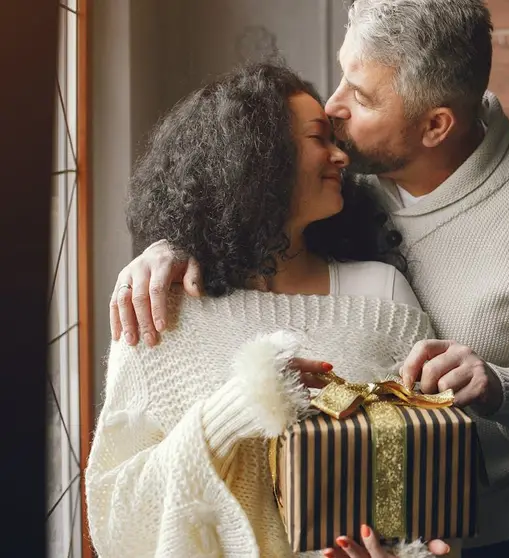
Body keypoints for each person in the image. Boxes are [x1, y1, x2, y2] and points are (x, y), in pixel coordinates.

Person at [110, 1, 509, 556]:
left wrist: (503, 388)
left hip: (495, 537)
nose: (334, 104)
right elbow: (252, 196)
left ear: (435, 125)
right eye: (343, 74)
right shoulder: (344, 176)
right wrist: (174, 244)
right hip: (340, 529)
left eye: (361, 97)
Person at [86, 61, 453, 558]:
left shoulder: (381, 294)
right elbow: (116, 515)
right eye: (319, 137)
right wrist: (235, 412)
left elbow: (428, 472)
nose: (340, 155)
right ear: (258, 159)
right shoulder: (160, 307)